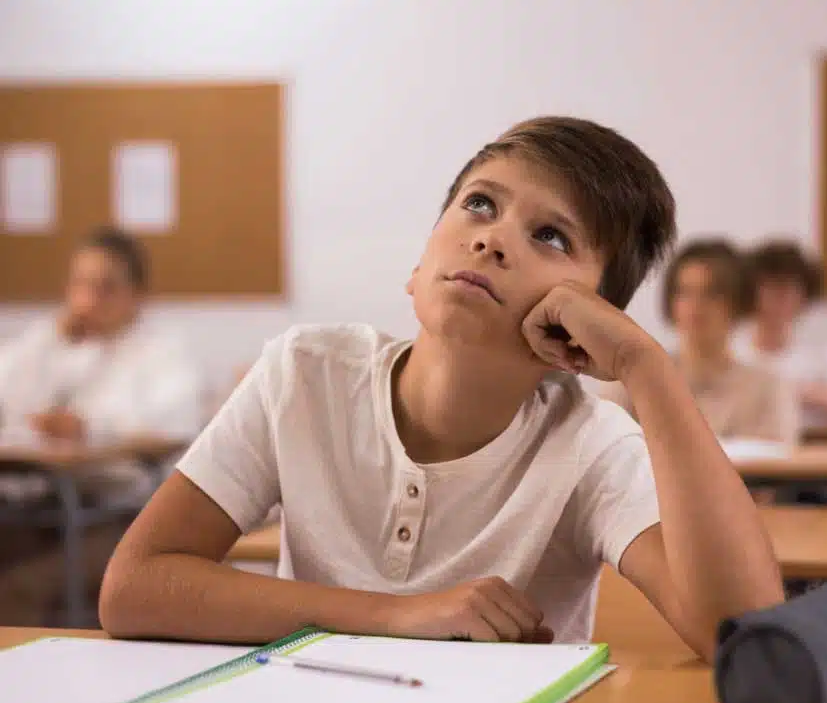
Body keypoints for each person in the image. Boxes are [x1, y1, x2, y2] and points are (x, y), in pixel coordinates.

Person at [99, 117, 785, 659]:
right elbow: (134, 586)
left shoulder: (590, 446)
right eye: (479, 204)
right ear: (419, 261)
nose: (492, 241)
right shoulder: (305, 373)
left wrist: (646, 365)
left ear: (589, 322)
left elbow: (741, 631)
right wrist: (396, 616)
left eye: (550, 236)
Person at [0, 226, 204, 625]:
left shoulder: (161, 354)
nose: (89, 299)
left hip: (125, 515)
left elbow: (173, 427)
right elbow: (11, 397)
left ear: (137, 294)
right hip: (50, 502)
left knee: (20, 588)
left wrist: (88, 427)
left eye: (106, 287)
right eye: (80, 284)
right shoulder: (61, 347)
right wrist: (47, 339)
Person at [601, 239, 798, 444]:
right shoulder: (632, 380)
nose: (695, 305)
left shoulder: (768, 386)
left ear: (738, 301)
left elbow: (780, 458)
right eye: (684, 292)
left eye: (711, 293)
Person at [733, 240, 827, 430]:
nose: (777, 300)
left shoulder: (824, 360)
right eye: (769, 288)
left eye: (787, 289)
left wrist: (802, 392)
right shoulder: (733, 354)